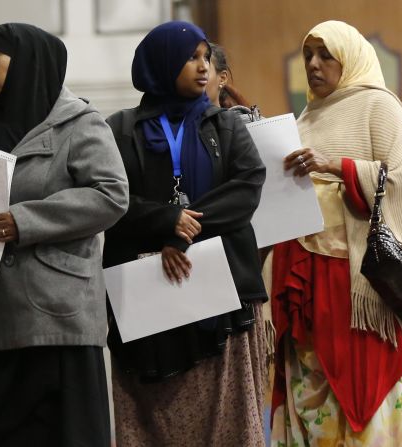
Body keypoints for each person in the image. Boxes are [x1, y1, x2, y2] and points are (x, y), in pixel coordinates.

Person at [0, 23, 129, 446]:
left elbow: (112, 195)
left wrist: (26, 220)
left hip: (54, 321)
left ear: (25, 63)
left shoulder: (79, 125)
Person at [103, 21, 267, 446]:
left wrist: (183, 230)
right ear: (161, 64)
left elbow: (246, 189)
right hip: (148, 300)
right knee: (153, 421)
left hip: (220, 301)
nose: (202, 67)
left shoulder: (225, 126)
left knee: (225, 424)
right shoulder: (121, 130)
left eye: (205, 59)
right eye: (191, 58)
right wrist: (164, 222)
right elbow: (111, 200)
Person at [270, 20, 402, 446]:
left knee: (367, 394)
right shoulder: (307, 115)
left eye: (325, 54)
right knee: (309, 391)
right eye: (308, 55)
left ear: (351, 58)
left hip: (359, 283)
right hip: (307, 276)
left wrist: (336, 166)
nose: (313, 64)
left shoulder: (380, 107)